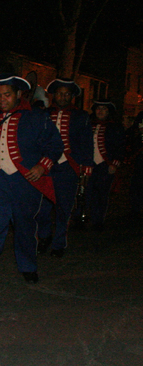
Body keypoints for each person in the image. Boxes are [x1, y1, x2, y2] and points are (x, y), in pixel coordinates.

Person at [0, 74, 63, 287]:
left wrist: (41, 166)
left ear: (19, 94)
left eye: (7, 95)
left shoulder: (37, 117)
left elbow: (55, 146)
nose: (2, 99)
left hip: (24, 180)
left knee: (24, 225)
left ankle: (28, 266)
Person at [35, 79, 93, 257]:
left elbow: (86, 143)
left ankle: (59, 244)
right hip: (45, 167)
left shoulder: (81, 116)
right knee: (41, 208)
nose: (63, 97)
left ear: (72, 96)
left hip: (69, 167)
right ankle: (44, 237)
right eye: (60, 93)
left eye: (67, 94)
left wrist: (86, 168)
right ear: (54, 94)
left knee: (64, 209)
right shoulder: (43, 114)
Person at [84, 100, 125, 230]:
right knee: (85, 192)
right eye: (98, 109)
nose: (100, 111)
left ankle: (98, 221)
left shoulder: (115, 128)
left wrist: (114, 164)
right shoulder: (87, 125)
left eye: (104, 109)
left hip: (104, 165)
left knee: (101, 194)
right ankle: (81, 218)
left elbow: (121, 148)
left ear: (108, 112)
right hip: (89, 165)